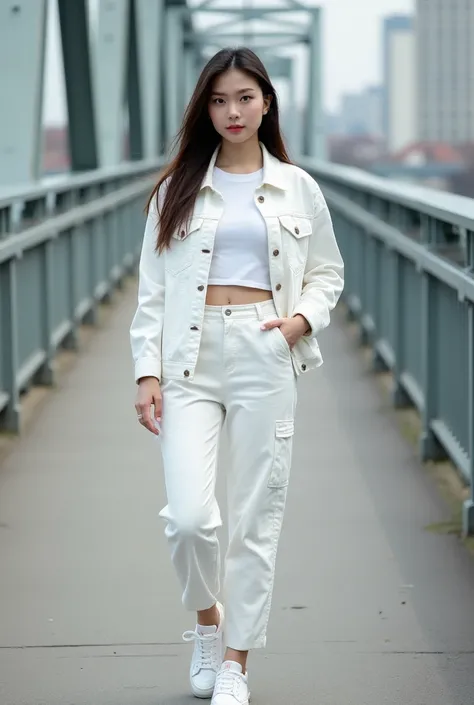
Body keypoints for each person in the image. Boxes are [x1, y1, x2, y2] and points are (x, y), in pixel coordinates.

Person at [130, 47, 344, 704]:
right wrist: (146, 373)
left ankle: (236, 663)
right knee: (190, 517)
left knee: (257, 515)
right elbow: (153, 288)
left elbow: (327, 273)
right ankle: (207, 622)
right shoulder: (177, 189)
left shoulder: (298, 186)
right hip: (189, 359)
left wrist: (299, 322)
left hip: (264, 350)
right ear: (206, 107)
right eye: (219, 100)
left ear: (266, 102)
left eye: (244, 98)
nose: (232, 111)